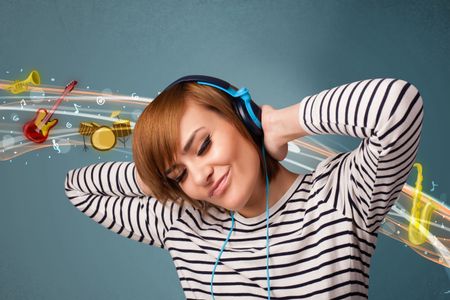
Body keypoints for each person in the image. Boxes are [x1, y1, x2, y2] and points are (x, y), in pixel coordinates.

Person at [64, 76, 424, 299]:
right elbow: (79, 188)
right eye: (180, 174)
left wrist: (282, 123)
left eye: (203, 146)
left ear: (242, 118)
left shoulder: (339, 195)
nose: (199, 176)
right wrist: (156, 171)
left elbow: (397, 106)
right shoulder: (182, 223)